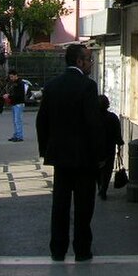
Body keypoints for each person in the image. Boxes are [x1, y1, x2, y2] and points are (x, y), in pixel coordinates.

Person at [36, 43, 105, 261]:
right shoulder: (88, 87)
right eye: (88, 59)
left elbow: (41, 122)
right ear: (79, 61)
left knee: (60, 205)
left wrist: (47, 149)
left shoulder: (52, 86)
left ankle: (58, 249)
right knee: (84, 207)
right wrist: (100, 156)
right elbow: (93, 124)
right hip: (84, 159)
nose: (90, 64)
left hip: (60, 158)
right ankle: (82, 249)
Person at [97, 94, 124, 200]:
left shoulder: (93, 117)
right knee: (107, 169)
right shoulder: (112, 117)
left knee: (97, 169)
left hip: (96, 148)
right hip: (109, 148)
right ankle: (104, 188)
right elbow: (117, 133)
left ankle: (100, 186)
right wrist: (119, 144)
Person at [5, 68, 29, 142]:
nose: (11, 78)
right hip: (15, 103)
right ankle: (16, 135)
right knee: (15, 121)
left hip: (18, 103)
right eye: (10, 77)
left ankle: (19, 136)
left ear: (16, 76)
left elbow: (18, 95)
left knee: (18, 120)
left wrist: (9, 96)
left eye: (12, 77)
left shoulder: (20, 83)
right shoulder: (15, 83)